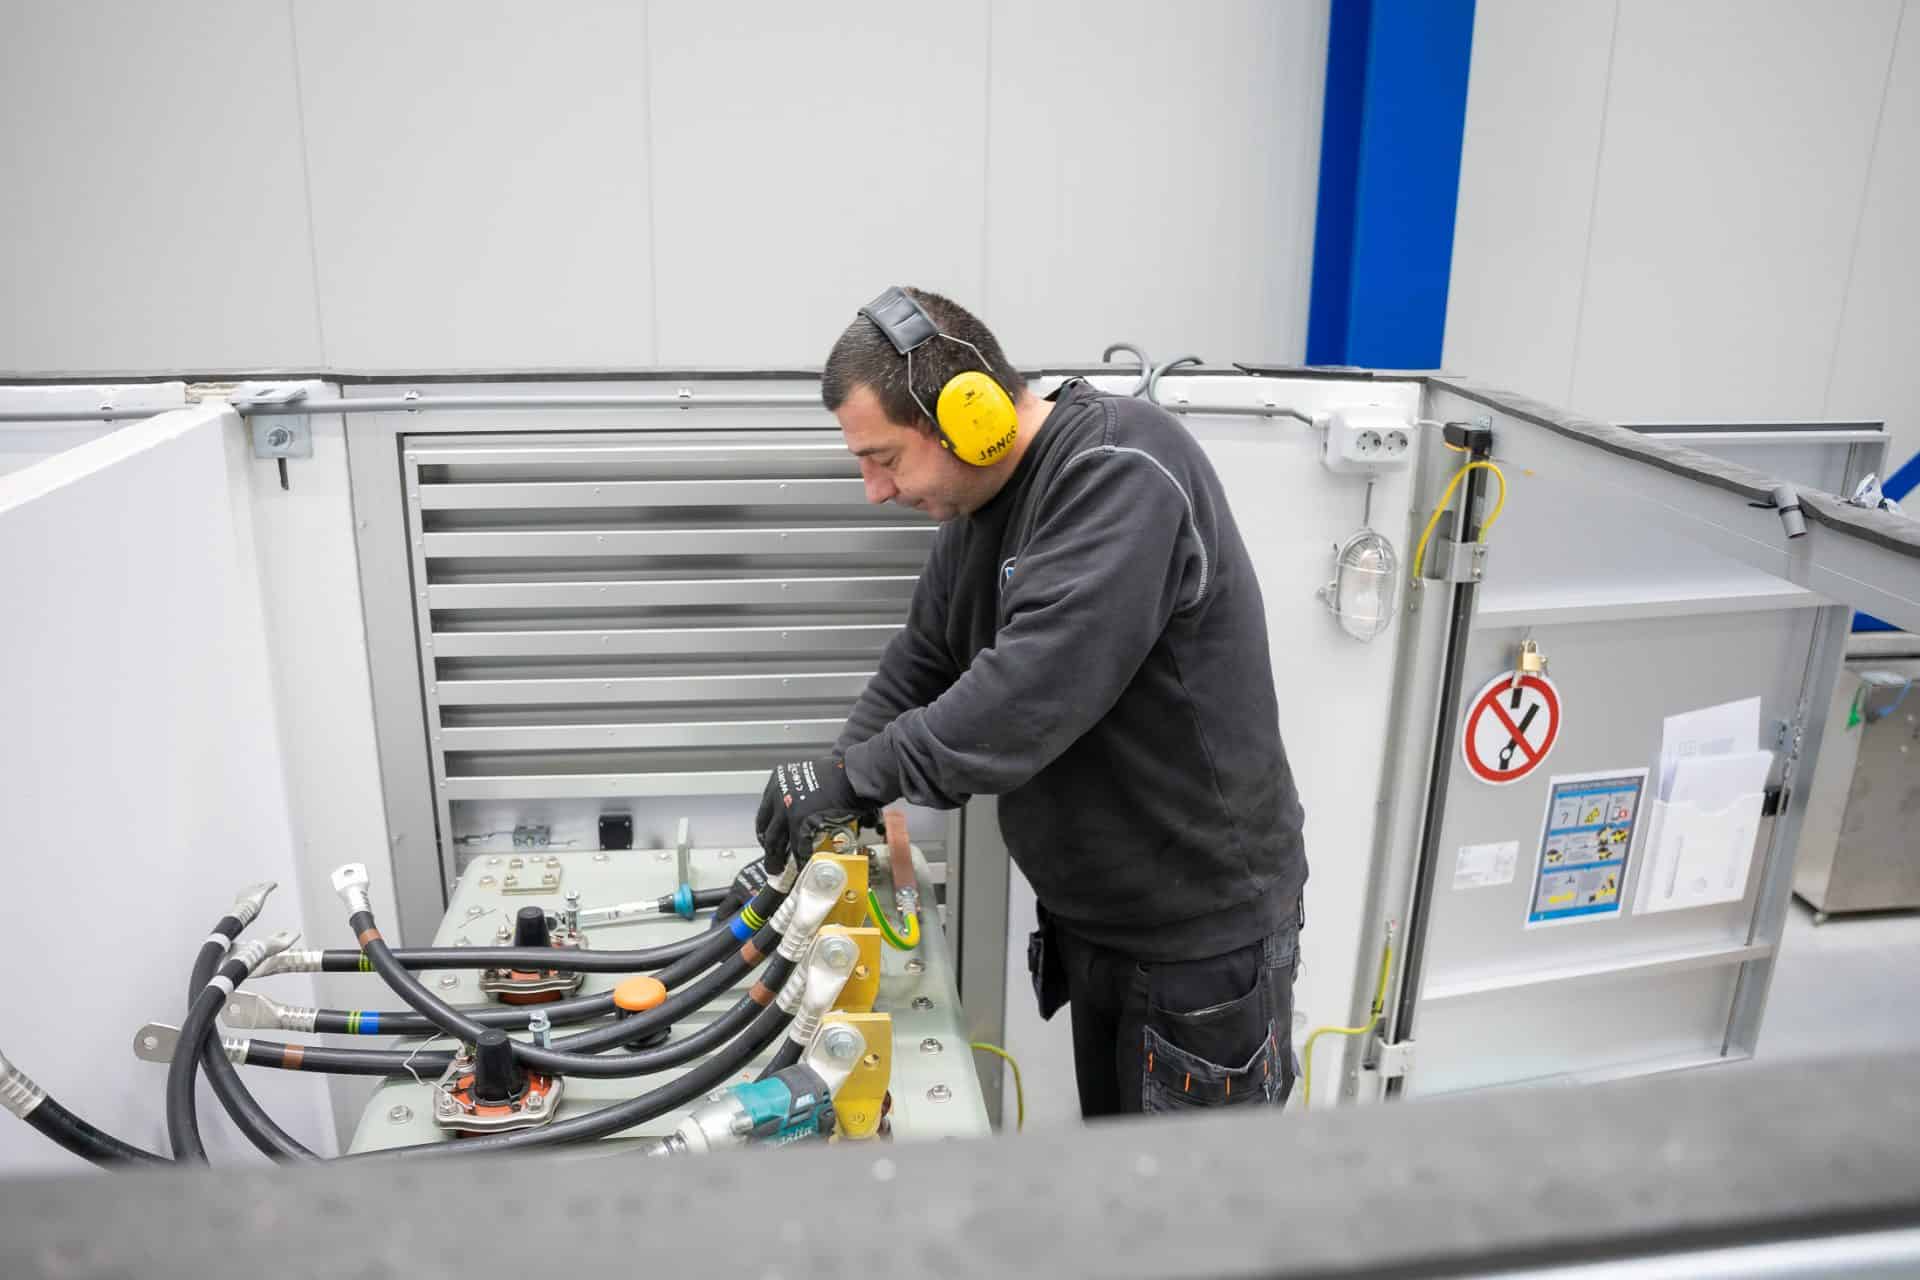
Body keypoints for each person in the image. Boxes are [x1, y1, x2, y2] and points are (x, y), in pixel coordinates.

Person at [755, 286, 1307, 1117]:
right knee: (1124, 1174)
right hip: (1105, 920)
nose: (874, 490)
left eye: (886, 458)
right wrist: (836, 773)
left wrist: (861, 778)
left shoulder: (1118, 472)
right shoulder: (975, 513)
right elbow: (923, 662)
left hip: (1201, 939)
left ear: (969, 415)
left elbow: (1028, 696)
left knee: (1196, 1221)